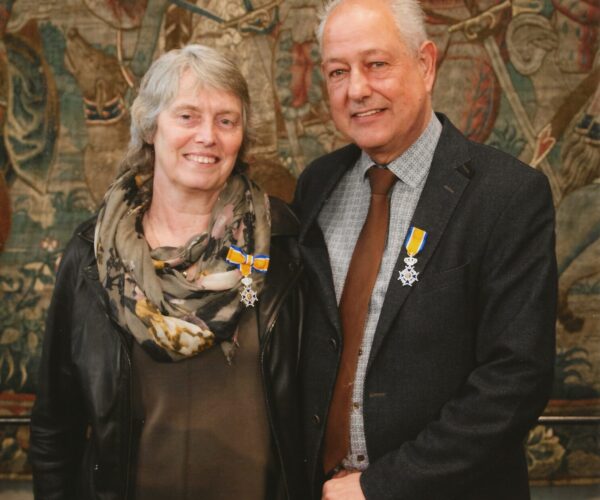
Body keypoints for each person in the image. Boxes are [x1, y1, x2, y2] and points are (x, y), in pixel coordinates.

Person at [293, 1, 557, 499]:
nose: (357, 89)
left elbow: (516, 377)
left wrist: (380, 487)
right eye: (337, 71)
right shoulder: (317, 187)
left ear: (426, 64)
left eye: (376, 64)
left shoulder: (506, 195)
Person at [30, 44, 305, 500]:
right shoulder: (91, 258)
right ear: (151, 127)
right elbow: (54, 428)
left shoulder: (284, 246)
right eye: (187, 116)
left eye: (226, 120)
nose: (207, 136)